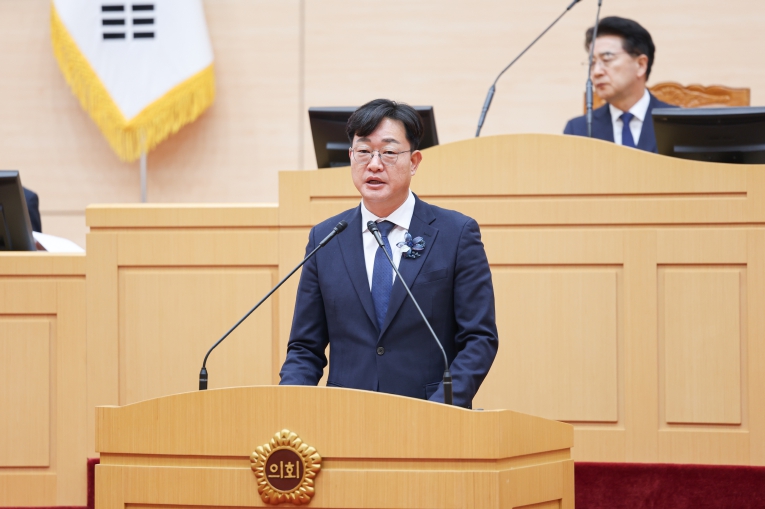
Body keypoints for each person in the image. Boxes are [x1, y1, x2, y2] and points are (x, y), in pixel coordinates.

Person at [279, 99, 498, 408]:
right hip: (344, 417)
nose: (374, 164)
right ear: (350, 157)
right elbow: (305, 348)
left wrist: (441, 410)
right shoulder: (326, 238)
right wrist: (288, 406)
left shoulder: (455, 234)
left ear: (414, 161)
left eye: (389, 152)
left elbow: (478, 339)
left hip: (430, 417)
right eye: (364, 151)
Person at [563, 16, 675, 152]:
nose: (596, 72)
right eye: (592, 63)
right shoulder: (578, 130)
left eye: (607, 59)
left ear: (640, 65)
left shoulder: (679, 124)